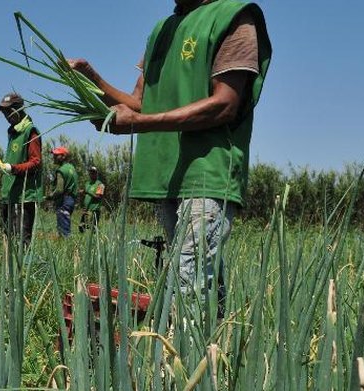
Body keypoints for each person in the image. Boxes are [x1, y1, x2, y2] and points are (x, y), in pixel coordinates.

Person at [68, 0, 272, 319]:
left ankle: (176, 367)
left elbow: (224, 104)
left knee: (188, 284)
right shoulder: (162, 30)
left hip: (207, 175)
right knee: (198, 283)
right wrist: (90, 76)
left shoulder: (234, 17)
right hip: (167, 176)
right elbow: (139, 102)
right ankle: (212, 358)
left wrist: (138, 124)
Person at [0, 92, 43, 246]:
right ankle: (9, 269)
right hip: (9, 194)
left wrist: (11, 168)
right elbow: (12, 161)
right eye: (4, 112)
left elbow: (36, 162)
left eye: (8, 111)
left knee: (22, 241)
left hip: (23, 196)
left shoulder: (30, 131)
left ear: (18, 109)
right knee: (7, 238)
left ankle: (23, 270)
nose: (6, 115)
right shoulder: (13, 132)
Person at [45, 147, 78, 237]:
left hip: (64, 200)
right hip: (71, 200)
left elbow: (59, 189)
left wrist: (49, 196)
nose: (54, 157)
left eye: (56, 155)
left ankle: (68, 248)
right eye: (54, 155)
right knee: (65, 223)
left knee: (63, 230)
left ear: (63, 156)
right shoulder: (72, 168)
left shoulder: (61, 170)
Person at [79, 166, 105, 232]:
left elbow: (98, 197)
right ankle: (83, 242)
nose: (92, 174)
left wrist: (87, 192)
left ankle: (95, 241)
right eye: (90, 172)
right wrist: (82, 193)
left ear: (96, 174)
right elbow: (86, 196)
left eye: (93, 172)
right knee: (81, 227)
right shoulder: (87, 183)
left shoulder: (100, 185)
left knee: (92, 229)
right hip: (86, 209)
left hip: (94, 210)